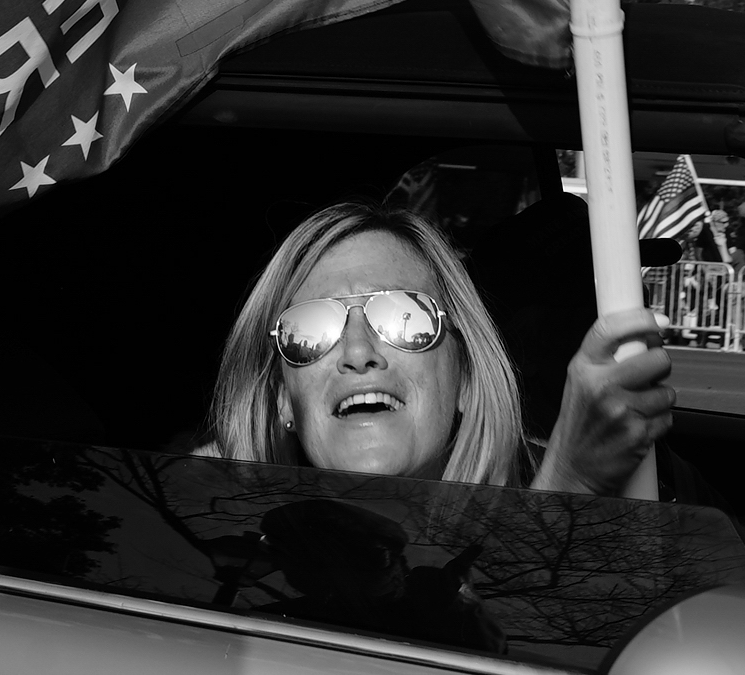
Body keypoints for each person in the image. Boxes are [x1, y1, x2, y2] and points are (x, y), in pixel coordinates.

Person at [204, 201, 674, 497]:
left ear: (466, 377)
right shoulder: (217, 542)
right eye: (311, 328)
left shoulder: (640, 493)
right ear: (282, 397)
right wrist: (570, 485)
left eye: (404, 317)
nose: (358, 350)